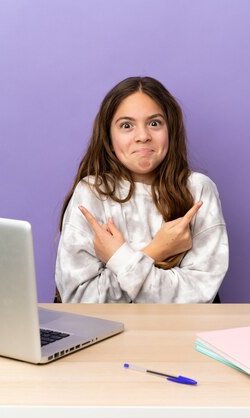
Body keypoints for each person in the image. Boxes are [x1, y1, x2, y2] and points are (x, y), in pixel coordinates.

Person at [55, 76, 228, 303]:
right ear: (109, 135)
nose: (143, 136)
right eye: (127, 126)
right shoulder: (91, 192)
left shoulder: (198, 189)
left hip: (179, 333)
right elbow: (81, 299)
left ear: (171, 129)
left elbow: (198, 295)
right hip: (107, 336)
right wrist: (157, 250)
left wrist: (118, 258)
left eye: (154, 123)